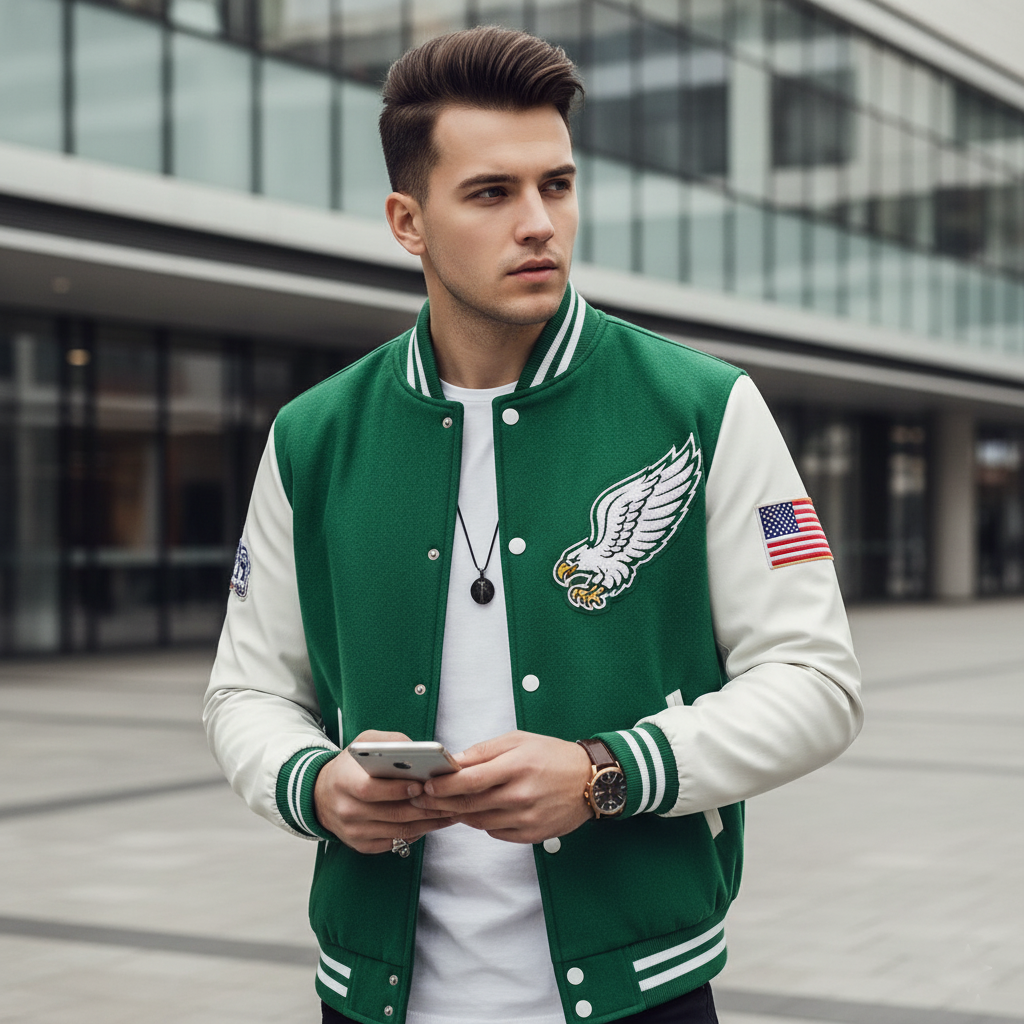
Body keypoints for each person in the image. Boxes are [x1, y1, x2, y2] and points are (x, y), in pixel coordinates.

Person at [203, 26, 862, 1024]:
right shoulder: (313, 435)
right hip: (375, 996)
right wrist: (315, 784)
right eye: (490, 193)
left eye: (556, 185)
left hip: (639, 993)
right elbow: (248, 690)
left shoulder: (703, 406)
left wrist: (607, 771)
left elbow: (816, 682)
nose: (539, 223)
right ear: (408, 221)